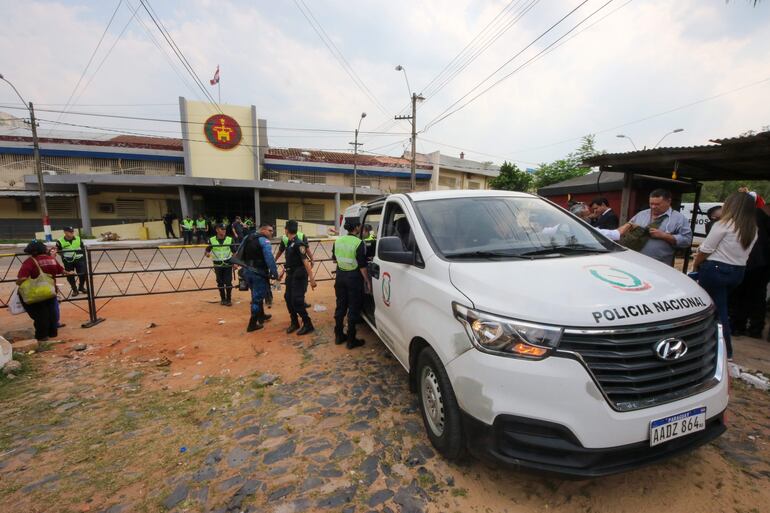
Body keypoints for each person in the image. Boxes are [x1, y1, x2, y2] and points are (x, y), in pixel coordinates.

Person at [693, 192, 758, 359]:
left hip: (715, 270)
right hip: (737, 272)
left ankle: (725, 351)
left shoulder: (723, 225)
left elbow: (705, 250)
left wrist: (696, 264)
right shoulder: (752, 229)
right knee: (720, 307)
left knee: (715, 311)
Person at [16, 240, 71, 341]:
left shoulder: (30, 261)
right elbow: (61, 270)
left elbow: (22, 278)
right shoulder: (52, 259)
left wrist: (19, 283)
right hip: (50, 291)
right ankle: (52, 332)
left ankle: (42, 336)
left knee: (39, 314)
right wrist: (70, 273)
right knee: (51, 311)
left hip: (35, 293)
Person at [729, 203, 770, 338]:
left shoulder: (753, 217)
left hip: (751, 260)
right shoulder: (761, 218)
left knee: (742, 294)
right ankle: (755, 328)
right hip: (763, 262)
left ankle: (738, 325)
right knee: (758, 296)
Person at [628, 189, 693, 265]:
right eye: (651, 204)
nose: (653, 207)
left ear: (668, 201)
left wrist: (665, 236)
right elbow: (627, 228)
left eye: (657, 204)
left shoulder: (679, 219)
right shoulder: (641, 215)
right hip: (635, 262)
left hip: (660, 266)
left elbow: (687, 240)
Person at [333, 219, 371, 349]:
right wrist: (367, 281)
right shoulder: (358, 243)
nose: (360, 227)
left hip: (340, 277)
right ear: (356, 227)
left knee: (340, 306)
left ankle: (338, 335)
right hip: (354, 278)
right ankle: (351, 339)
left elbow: (335, 259)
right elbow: (362, 266)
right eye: (360, 225)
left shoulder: (338, 241)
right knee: (353, 308)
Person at [238, 223, 279, 332]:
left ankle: (261, 316)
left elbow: (239, 251)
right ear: (263, 230)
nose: (272, 233)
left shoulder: (248, 237)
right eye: (270, 230)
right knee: (257, 298)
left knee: (256, 294)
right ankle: (252, 324)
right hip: (258, 272)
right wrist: (274, 272)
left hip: (247, 271)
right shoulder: (264, 241)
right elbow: (269, 258)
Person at [283, 220, 316, 335]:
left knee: (297, 300)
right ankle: (294, 322)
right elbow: (290, 261)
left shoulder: (298, 243)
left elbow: (305, 262)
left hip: (299, 276)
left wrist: (312, 279)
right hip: (290, 275)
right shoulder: (289, 242)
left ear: (286, 230)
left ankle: (308, 324)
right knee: (288, 297)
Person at [205, 224, 235, 306]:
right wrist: (207, 254)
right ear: (217, 230)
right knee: (220, 282)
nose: (224, 230)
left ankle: (229, 299)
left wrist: (235, 263)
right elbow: (207, 250)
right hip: (217, 265)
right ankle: (223, 299)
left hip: (227, 264)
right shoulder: (211, 240)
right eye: (222, 229)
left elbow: (235, 252)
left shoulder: (230, 239)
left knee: (228, 282)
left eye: (225, 229)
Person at [56, 227, 87, 296]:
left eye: (72, 231)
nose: (72, 233)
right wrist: (64, 256)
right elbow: (58, 251)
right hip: (68, 260)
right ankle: (74, 290)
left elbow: (82, 248)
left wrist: (82, 257)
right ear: (65, 232)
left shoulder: (78, 238)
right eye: (70, 232)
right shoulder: (60, 241)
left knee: (83, 273)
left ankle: (81, 287)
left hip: (79, 259)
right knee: (70, 275)